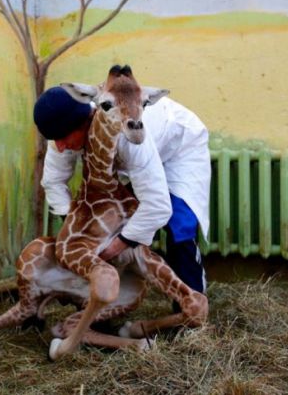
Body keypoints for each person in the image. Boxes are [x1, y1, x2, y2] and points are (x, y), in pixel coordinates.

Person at [33, 65, 211, 294]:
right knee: (110, 217)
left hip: (179, 148)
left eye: (64, 139)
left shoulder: (129, 139)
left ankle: (192, 298)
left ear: (85, 122)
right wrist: (78, 228)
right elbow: (53, 182)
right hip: (130, 164)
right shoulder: (61, 130)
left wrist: (113, 248)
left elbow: (157, 205)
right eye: (54, 140)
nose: (60, 147)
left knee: (179, 223)